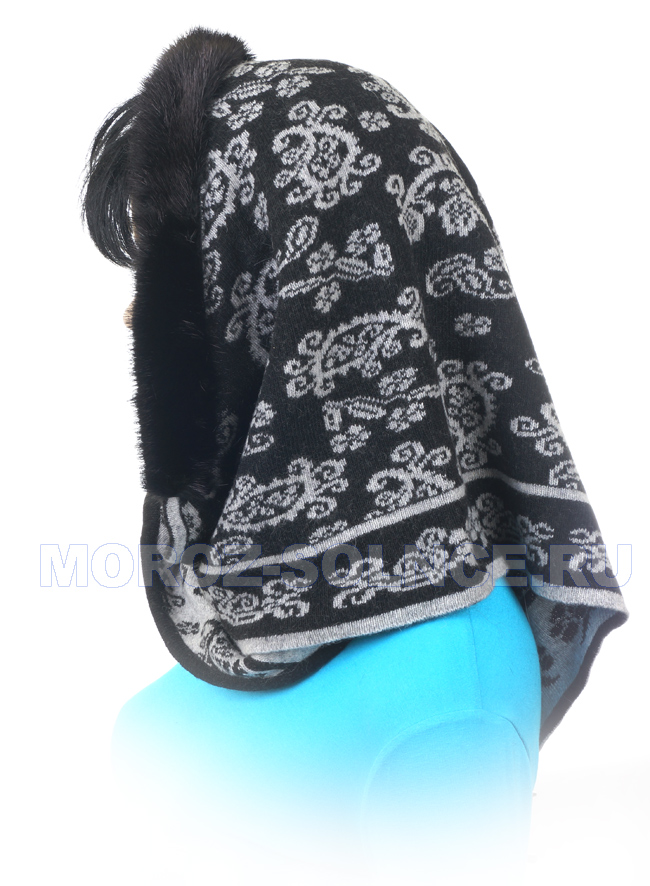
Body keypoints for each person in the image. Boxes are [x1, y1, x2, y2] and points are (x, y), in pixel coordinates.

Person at [82, 27, 628, 885]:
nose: (133, 325)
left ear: (280, 296)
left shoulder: (450, 710)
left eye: (167, 289)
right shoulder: (401, 677)